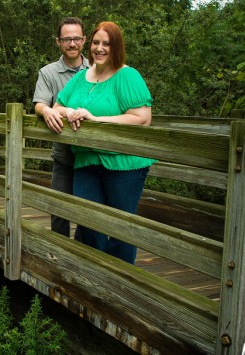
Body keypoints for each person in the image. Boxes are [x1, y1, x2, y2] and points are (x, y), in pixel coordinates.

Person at [53, 21, 156, 264]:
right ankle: (94, 277)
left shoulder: (127, 75)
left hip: (123, 164)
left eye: (106, 44)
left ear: (116, 47)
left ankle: (120, 281)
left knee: (121, 227)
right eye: (96, 43)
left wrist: (95, 119)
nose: (99, 49)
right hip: (86, 160)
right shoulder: (81, 78)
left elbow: (142, 118)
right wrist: (70, 112)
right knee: (89, 223)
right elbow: (58, 106)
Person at [33, 17, 89, 237]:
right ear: (58, 42)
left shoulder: (96, 69)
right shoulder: (48, 73)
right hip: (64, 156)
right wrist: (46, 110)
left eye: (76, 38)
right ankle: (58, 258)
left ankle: (84, 258)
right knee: (58, 211)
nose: (72, 44)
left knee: (89, 214)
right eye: (67, 39)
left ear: (84, 40)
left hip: (91, 156)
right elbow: (40, 103)